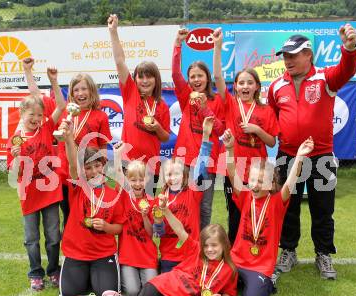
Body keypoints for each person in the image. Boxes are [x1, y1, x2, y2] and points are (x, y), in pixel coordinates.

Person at [267, 24, 356, 279]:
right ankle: (288, 250)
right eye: (285, 56)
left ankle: (323, 254)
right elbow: (273, 119)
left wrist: (349, 48)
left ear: (308, 54)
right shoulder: (276, 87)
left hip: (321, 156)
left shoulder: (325, 78)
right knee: (287, 206)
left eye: (293, 55)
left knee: (322, 208)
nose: (288, 61)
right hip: (286, 155)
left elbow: (347, 70)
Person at [66, 221, 237, 296]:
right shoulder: (197, 250)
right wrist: (166, 210)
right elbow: (179, 229)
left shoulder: (230, 270)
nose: (210, 250)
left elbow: (230, 292)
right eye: (206, 245)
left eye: (214, 245)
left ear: (224, 245)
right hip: (165, 284)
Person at [223, 129, 314, 296]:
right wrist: (230, 149)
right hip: (236, 260)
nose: (255, 185)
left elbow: (290, 182)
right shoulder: (245, 195)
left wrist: (300, 157)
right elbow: (233, 174)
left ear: (271, 183)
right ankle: (241, 281)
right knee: (214, 283)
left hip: (260, 266)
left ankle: (266, 281)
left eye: (261, 181)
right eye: (253, 180)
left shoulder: (276, 202)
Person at [23, 57, 112, 229]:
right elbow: (36, 98)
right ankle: (71, 253)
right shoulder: (65, 113)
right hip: (65, 176)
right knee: (70, 217)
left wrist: (103, 173)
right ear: (71, 93)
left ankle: (92, 251)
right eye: (76, 90)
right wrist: (28, 72)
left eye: (84, 89)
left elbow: (102, 147)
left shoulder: (100, 116)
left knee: (91, 214)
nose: (80, 93)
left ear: (92, 91)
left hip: (90, 174)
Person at [213, 27, 279, 244]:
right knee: (234, 211)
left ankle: (255, 248)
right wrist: (217, 46)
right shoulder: (230, 104)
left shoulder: (266, 110)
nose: (245, 86)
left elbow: (272, 141)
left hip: (258, 170)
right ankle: (235, 251)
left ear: (257, 87)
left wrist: (257, 130)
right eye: (241, 82)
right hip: (234, 167)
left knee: (256, 211)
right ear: (235, 87)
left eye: (250, 83)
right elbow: (217, 76)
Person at [7, 67, 66, 291]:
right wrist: (15, 158)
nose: (36, 118)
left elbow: (61, 107)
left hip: (49, 191)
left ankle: (53, 269)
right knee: (31, 238)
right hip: (28, 194)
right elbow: (14, 174)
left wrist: (54, 81)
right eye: (31, 114)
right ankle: (35, 272)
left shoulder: (46, 127)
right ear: (22, 114)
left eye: (39, 115)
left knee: (52, 235)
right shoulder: (15, 139)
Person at [57, 118, 125, 296]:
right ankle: (86, 277)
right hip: (77, 252)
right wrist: (70, 138)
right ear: (82, 171)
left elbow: (119, 227)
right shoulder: (78, 187)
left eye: (97, 166)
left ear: (103, 165)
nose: (94, 171)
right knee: (69, 294)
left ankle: (92, 279)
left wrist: (106, 227)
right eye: (88, 168)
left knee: (108, 295)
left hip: (103, 253)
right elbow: (72, 163)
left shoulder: (113, 193)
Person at [108, 14, 170, 195]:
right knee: (127, 211)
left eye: (149, 76)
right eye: (140, 76)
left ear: (156, 79)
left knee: (147, 210)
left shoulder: (162, 105)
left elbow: (165, 137)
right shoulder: (130, 93)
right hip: (128, 163)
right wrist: (113, 32)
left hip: (152, 166)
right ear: (135, 79)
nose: (144, 80)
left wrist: (157, 127)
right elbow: (120, 61)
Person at [172, 28, 225, 230]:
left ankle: (202, 246)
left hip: (207, 163)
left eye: (200, 76)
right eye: (192, 76)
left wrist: (204, 108)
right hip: (184, 160)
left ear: (207, 78)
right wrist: (178, 44)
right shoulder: (186, 97)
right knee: (182, 203)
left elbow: (219, 131)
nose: (196, 80)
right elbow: (176, 74)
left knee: (204, 207)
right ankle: (184, 245)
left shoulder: (217, 100)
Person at [153, 116, 216, 273]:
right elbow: (158, 233)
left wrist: (206, 135)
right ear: (164, 177)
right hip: (169, 255)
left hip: (190, 253)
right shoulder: (160, 199)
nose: (173, 178)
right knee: (168, 289)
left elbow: (202, 164)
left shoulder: (192, 192)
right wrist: (159, 220)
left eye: (176, 174)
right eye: (169, 174)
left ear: (185, 175)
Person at [113, 143, 158, 295]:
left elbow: (151, 233)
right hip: (128, 255)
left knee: (149, 290)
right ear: (128, 180)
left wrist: (145, 216)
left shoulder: (152, 201)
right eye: (133, 180)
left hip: (147, 255)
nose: (137, 184)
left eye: (141, 180)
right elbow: (118, 175)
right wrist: (117, 155)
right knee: (133, 291)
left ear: (147, 180)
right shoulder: (124, 197)